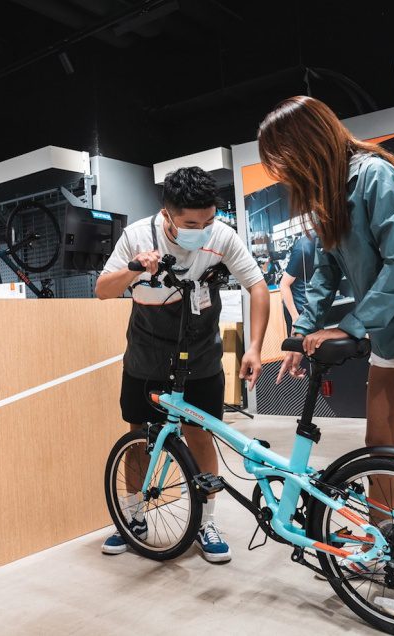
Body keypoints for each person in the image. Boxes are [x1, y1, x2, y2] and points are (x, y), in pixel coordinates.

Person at [258, 96, 394, 618]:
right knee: (380, 444)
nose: (279, 170)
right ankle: (383, 548)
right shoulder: (330, 192)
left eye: (280, 156)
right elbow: (326, 273)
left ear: (304, 143)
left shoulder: (375, 177)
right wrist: (304, 332)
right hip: (387, 336)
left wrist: (350, 325)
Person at [95, 166, 270, 563]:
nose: (202, 230)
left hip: (201, 349)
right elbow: (103, 291)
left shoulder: (221, 236)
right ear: (167, 214)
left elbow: (257, 287)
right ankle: (133, 518)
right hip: (147, 350)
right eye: (192, 223)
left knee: (200, 434)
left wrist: (255, 348)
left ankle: (206, 521)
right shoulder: (137, 236)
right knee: (140, 436)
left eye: (208, 220)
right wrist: (135, 268)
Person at [276, 231, 317, 385]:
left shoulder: (328, 246)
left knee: (304, 348)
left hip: (312, 304)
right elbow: (284, 284)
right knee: (295, 348)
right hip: (296, 305)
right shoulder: (303, 248)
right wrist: (295, 317)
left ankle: (294, 367)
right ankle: (291, 373)